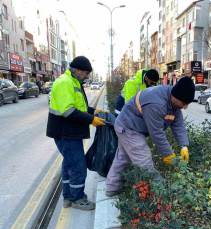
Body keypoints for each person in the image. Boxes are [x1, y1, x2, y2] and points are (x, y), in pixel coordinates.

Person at [106, 76, 195, 196]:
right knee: (144, 159)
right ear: (175, 96)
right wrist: (168, 155)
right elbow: (157, 133)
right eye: (184, 103)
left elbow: (178, 124)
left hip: (132, 127)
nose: (185, 107)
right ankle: (160, 190)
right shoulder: (157, 103)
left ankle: (112, 187)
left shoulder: (173, 102)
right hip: (128, 127)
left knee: (123, 158)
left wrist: (184, 146)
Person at [46, 56, 106, 210]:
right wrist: (91, 120)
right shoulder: (64, 82)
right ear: (78, 70)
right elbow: (69, 111)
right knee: (78, 166)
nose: (87, 76)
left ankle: (68, 197)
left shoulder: (73, 82)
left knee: (69, 164)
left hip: (69, 132)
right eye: (86, 73)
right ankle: (77, 198)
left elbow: (79, 107)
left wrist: (94, 111)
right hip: (65, 132)